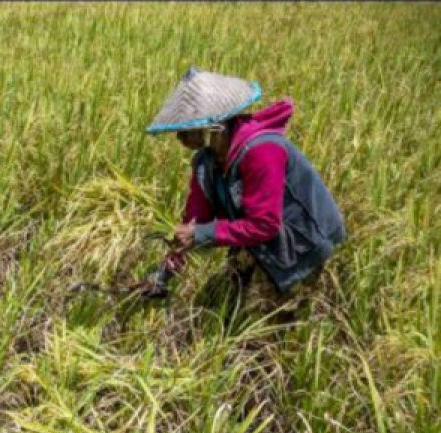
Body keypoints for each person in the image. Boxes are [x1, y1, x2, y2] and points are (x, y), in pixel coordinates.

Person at [142, 67, 346, 321]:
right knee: (212, 309)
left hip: (297, 244)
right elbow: (194, 222)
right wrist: (165, 271)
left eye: (187, 129)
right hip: (255, 239)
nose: (180, 138)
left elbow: (265, 224)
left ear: (214, 126)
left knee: (254, 331)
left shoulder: (262, 151)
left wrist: (201, 234)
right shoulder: (205, 164)